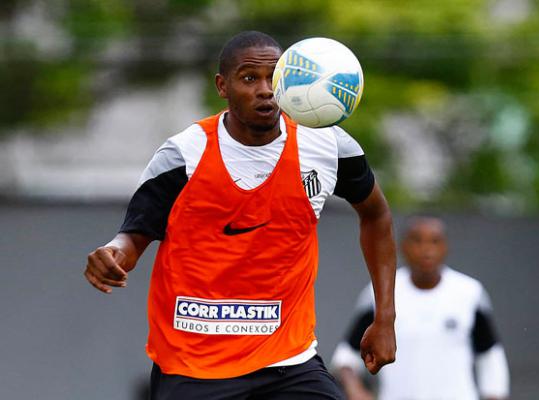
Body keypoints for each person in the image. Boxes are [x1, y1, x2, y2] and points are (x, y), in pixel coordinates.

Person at [83, 30, 397, 399]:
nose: (265, 90)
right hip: (194, 366)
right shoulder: (183, 156)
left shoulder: (327, 147)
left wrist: (385, 317)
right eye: (249, 78)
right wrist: (113, 254)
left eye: (273, 78)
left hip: (288, 361)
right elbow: (132, 238)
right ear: (222, 86)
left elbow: (376, 216)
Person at [332, 216, 510, 400]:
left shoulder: (469, 293)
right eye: (417, 241)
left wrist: (495, 394)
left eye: (435, 241)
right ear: (402, 247)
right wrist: (355, 389)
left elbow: (490, 356)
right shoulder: (381, 292)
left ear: (445, 247)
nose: (427, 250)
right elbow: (346, 356)